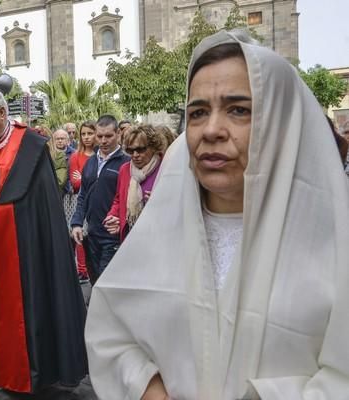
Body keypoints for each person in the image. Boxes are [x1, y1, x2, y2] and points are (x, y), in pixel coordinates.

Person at [85, 30, 349, 399]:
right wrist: (148, 387)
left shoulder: (335, 242)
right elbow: (111, 330)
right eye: (198, 112)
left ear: (279, 124)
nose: (211, 130)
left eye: (238, 110)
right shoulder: (162, 231)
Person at [0, 90, 88, 393]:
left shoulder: (29, 145)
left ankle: (32, 369)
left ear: (2, 114)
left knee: (25, 302)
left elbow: (38, 203)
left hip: (24, 246)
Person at [70, 115, 130, 285]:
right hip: (92, 233)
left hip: (113, 235)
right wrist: (76, 223)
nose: (103, 140)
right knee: (95, 281)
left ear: (118, 134)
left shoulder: (126, 163)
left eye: (108, 136)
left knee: (107, 284)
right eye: (100, 136)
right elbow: (82, 195)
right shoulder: (90, 162)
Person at [103, 125, 163, 242]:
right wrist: (113, 216)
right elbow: (119, 200)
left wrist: (161, 202)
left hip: (157, 237)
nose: (135, 155)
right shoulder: (125, 170)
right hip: (129, 238)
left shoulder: (165, 167)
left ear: (153, 147)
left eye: (140, 149)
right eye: (130, 150)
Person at [68, 121, 96, 283]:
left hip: (99, 203)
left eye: (90, 133)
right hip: (80, 202)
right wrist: (91, 178)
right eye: (83, 134)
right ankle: (82, 270)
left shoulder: (100, 155)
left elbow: (84, 180)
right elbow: (76, 183)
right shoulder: (75, 156)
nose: (86, 137)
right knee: (80, 235)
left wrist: (84, 176)